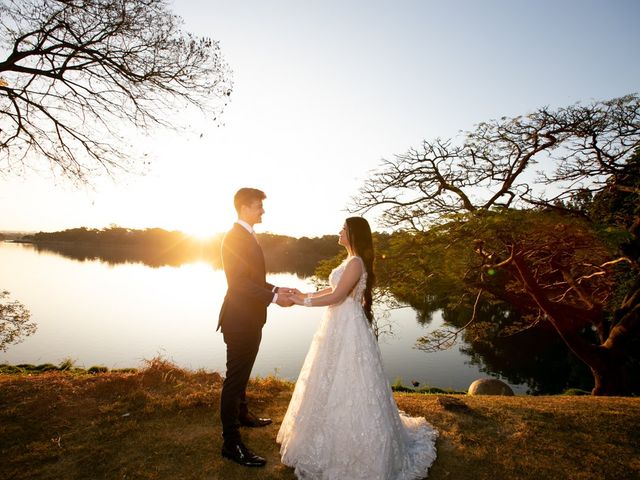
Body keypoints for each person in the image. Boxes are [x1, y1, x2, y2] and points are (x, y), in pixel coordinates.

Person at [277, 217, 438, 479]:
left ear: (352, 233)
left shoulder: (355, 263)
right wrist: (301, 293)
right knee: (328, 377)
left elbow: (337, 297)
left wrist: (300, 302)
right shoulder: (348, 261)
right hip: (336, 324)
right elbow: (330, 290)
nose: (338, 231)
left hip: (348, 327)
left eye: (342, 228)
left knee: (352, 381)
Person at [217, 187, 299, 467]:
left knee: (242, 373)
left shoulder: (247, 236)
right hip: (239, 321)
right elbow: (239, 284)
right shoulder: (235, 238)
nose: (262, 210)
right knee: (235, 380)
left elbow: (252, 279)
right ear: (244, 208)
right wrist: (275, 299)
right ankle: (231, 443)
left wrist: (277, 288)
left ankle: (243, 415)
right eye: (258, 206)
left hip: (250, 318)